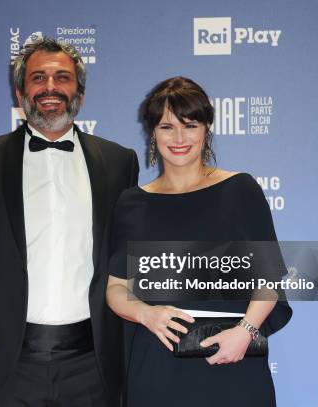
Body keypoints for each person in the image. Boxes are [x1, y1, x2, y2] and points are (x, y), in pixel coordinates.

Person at [0, 37, 139, 407]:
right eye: (38, 78)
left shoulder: (119, 163)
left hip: (93, 367)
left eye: (62, 77)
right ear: (20, 92)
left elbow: (128, 263)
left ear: (80, 91)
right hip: (4, 367)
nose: (50, 88)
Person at [105, 76, 292, 406]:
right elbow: (116, 288)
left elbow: (269, 278)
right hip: (157, 368)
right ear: (152, 133)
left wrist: (245, 333)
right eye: (166, 127)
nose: (179, 138)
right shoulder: (131, 203)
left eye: (190, 125)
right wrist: (145, 314)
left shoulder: (240, 190)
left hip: (232, 360)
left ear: (206, 128)